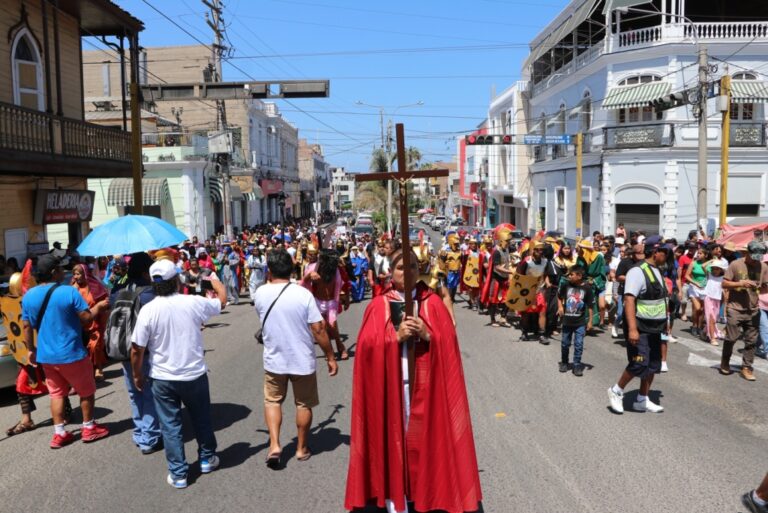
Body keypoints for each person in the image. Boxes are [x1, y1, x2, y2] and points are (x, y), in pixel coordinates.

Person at [345, 246, 482, 513]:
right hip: (391, 390)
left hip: (426, 390)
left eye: (411, 266)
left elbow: (449, 345)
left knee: (425, 446)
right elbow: (364, 350)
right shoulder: (378, 306)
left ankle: (429, 493)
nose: (406, 273)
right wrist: (392, 339)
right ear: (389, 272)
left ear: (419, 270)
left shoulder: (432, 303)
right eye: (400, 267)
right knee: (394, 444)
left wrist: (429, 336)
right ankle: (395, 496)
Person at [130, 258, 227, 489]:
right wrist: (216, 282)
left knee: (171, 426)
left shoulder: (148, 310)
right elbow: (221, 302)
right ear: (176, 280)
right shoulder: (192, 302)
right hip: (194, 374)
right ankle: (207, 458)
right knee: (201, 418)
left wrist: (136, 375)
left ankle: (179, 473)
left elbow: (137, 349)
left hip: (163, 377)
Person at [254, 249, 338, 469]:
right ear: (292, 270)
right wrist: (330, 355)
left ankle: (274, 445)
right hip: (302, 360)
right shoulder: (303, 294)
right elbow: (319, 329)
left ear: (269, 271)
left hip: (274, 360)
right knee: (304, 404)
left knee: (272, 401)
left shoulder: (260, 293)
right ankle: (301, 448)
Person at [21, 254, 110, 448]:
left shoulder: (28, 296)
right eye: (61, 269)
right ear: (54, 273)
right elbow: (86, 318)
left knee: (57, 394)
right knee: (86, 391)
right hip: (71, 352)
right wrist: (100, 307)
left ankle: (59, 433)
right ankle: (88, 428)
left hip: (47, 355)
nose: (64, 272)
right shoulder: (69, 292)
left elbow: (27, 327)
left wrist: (30, 350)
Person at [607, 236, 669, 414]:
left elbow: (659, 300)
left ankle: (642, 399)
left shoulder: (657, 270)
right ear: (655, 252)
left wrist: (665, 324)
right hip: (640, 327)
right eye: (665, 252)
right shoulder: (637, 271)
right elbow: (629, 299)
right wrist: (632, 329)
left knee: (653, 365)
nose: (667, 256)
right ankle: (616, 390)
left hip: (655, 327)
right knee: (638, 362)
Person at [111, 253, 162, 454]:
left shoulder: (117, 291)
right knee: (149, 393)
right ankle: (150, 437)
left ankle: (140, 432)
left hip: (124, 349)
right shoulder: (150, 294)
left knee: (134, 393)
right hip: (146, 351)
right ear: (144, 272)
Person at [720, 240, 768, 381]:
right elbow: (724, 283)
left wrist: (760, 287)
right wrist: (740, 283)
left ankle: (746, 367)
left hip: (753, 309)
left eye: (759, 258)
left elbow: (765, 286)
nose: (756, 261)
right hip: (735, 308)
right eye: (754, 257)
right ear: (748, 253)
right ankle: (725, 361)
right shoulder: (735, 264)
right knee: (731, 338)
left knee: (751, 341)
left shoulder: (763, 266)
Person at [302, 249, 348, 360]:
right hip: (317, 301)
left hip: (332, 302)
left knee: (332, 325)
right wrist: (309, 275)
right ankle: (330, 351)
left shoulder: (337, 271)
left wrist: (346, 300)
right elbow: (303, 283)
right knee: (322, 326)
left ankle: (340, 346)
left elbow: (345, 284)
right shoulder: (313, 268)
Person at [71, 263, 110, 381]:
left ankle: (99, 368)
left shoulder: (94, 285)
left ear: (85, 274)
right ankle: (91, 369)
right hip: (80, 324)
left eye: (78, 274)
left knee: (95, 346)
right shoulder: (72, 288)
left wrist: (102, 306)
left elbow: (105, 300)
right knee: (85, 348)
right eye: (74, 274)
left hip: (96, 321)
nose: (76, 277)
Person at [558, 265, 594, 376]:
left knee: (579, 344)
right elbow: (559, 296)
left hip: (580, 322)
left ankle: (577, 365)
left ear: (579, 276)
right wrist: (560, 307)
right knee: (565, 343)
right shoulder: (566, 285)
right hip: (567, 321)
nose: (569, 276)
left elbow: (590, 306)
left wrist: (590, 321)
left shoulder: (587, 288)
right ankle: (564, 362)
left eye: (571, 274)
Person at [481, 226, 514, 328]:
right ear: (501, 241)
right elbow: (497, 267)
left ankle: (503, 317)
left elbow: (506, 261)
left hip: (504, 279)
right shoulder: (496, 252)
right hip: (496, 279)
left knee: (508, 299)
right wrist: (509, 271)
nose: (508, 243)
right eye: (507, 241)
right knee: (493, 301)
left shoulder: (506, 249)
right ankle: (492, 319)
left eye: (509, 241)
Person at [703, 258, 727, 345]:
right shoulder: (709, 275)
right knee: (711, 318)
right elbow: (703, 266)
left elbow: (724, 290)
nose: (714, 270)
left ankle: (705, 332)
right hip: (708, 298)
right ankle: (712, 338)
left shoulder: (723, 278)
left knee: (714, 319)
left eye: (717, 268)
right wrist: (712, 260)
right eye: (713, 268)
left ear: (721, 269)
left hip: (717, 300)